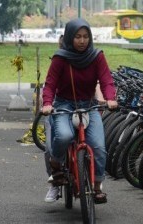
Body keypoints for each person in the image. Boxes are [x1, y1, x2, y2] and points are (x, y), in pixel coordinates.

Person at [42, 18, 118, 204]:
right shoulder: (60, 58)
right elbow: (50, 84)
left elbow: (107, 80)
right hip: (64, 105)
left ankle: (98, 186)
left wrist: (110, 98)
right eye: (77, 37)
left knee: (98, 146)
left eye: (85, 37)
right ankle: (56, 168)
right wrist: (47, 103)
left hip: (89, 105)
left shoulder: (97, 56)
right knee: (64, 136)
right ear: (69, 37)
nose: (82, 41)